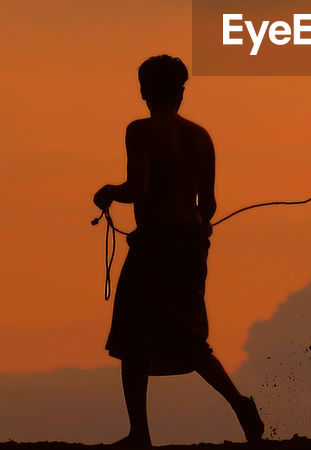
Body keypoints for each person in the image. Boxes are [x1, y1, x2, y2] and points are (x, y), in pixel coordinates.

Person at [93, 55, 264, 446]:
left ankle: (140, 433)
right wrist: (199, 229)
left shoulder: (140, 131)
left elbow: (139, 188)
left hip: (154, 245)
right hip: (191, 245)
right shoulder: (201, 136)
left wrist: (108, 193)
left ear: (144, 92)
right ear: (181, 92)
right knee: (190, 338)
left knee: (133, 335)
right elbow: (210, 205)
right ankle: (240, 405)